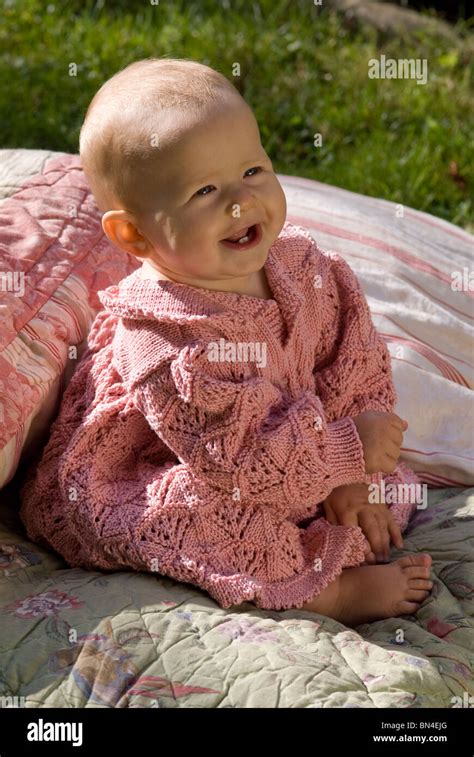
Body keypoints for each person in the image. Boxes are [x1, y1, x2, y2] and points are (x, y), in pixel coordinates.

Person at [20, 58, 432, 625]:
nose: (241, 203)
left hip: (301, 447)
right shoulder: (166, 341)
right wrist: (340, 451)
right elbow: (233, 461)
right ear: (134, 233)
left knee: (381, 479)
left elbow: (353, 365)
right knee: (197, 516)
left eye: (253, 170)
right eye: (206, 190)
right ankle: (325, 594)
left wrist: (352, 476)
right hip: (179, 465)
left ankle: (330, 496)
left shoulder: (306, 268)